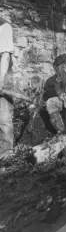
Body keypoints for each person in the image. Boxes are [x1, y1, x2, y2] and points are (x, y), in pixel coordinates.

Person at [0, 16, 14, 156]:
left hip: (2, 74)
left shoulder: (4, 26)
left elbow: (5, 56)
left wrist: (1, 80)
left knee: (3, 116)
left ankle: (7, 153)